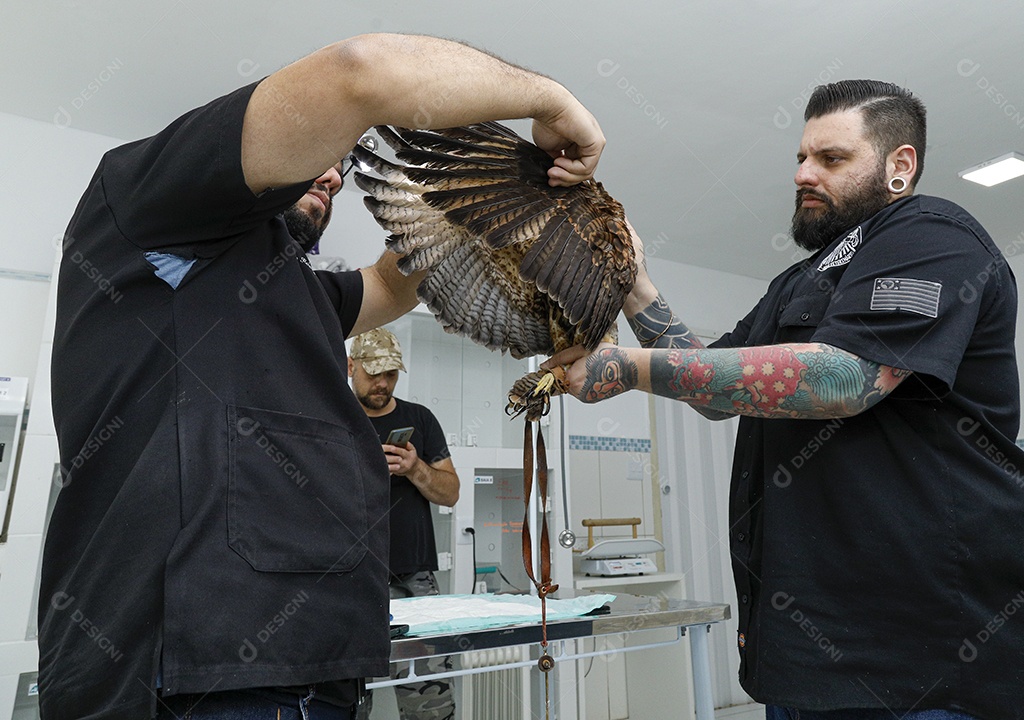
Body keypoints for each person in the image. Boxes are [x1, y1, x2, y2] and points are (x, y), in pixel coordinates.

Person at [41, 33, 605, 720]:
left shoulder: (297, 290)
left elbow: (393, 285)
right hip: (187, 672)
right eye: (320, 153)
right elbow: (360, 73)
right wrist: (552, 100)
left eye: (341, 164)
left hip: (320, 663)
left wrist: (499, 194)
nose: (333, 174)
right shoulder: (146, 208)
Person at [548, 80, 1024, 719]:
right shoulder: (798, 280)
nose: (803, 174)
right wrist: (634, 287)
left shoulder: (934, 235)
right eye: (800, 158)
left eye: (831, 159)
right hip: (806, 659)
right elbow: (711, 389)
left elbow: (842, 380)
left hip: (929, 660)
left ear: (900, 165)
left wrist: (626, 367)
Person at [347, 328, 459, 720]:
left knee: (430, 703)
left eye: (391, 373)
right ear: (350, 367)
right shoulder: (332, 415)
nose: (382, 383)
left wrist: (415, 469)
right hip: (349, 580)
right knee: (348, 701)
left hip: (416, 581)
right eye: (374, 372)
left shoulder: (420, 420)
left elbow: (451, 492)